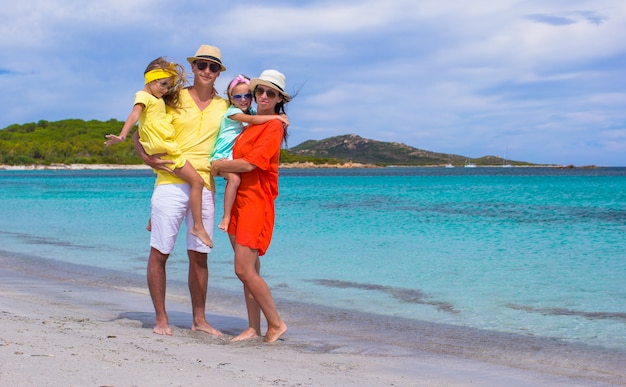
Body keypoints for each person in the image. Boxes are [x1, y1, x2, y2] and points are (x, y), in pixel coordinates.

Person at [131, 45, 229, 336]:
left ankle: (199, 319)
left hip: (205, 185)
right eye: (202, 65)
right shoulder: (173, 96)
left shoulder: (224, 107)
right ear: (195, 67)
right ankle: (161, 318)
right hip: (170, 179)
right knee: (160, 251)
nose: (207, 71)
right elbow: (141, 131)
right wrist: (146, 157)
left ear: (219, 72)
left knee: (200, 255)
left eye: (213, 67)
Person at [211, 69, 291, 343]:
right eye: (260, 91)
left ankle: (276, 323)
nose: (264, 96)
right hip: (238, 202)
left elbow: (250, 164)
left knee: (243, 269)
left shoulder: (273, 126)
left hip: (256, 202)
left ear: (280, 97)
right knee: (250, 271)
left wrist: (216, 166)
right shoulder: (250, 123)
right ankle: (253, 327)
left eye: (271, 92)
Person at [105, 57, 213, 248]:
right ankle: (198, 226)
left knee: (187, 183)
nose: (165, 89)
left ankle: (154, 219)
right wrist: (122, 135)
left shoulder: (159, 100)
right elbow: (134, 115)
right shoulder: (143, 96)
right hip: (169, 151)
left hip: (167, 149)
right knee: (197, 181)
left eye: (168, 86)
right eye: (162, 84)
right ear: (150, 80)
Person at [211, 74, 289, 232]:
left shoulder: (255, 114)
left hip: (251, 196)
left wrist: (279, 117)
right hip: (222, 154)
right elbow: (254, 120)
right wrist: (276, 117)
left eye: (247, 95)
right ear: (231, 99)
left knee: (234, 179)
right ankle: (226, 216)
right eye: (238, 96)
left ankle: (226, 216)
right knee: (233, 179)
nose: (243, 99)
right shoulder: (233, 112)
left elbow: (250, 164)